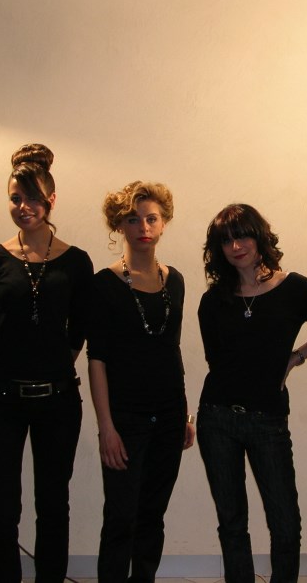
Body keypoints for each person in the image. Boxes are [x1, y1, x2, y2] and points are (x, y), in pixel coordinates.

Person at [0, 143, 93, 583]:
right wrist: (9, 372)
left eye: (33, 198)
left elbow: (78, 332)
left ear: (51, 200)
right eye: (15, 198)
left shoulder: (77, 262)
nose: (24, 207)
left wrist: (51, 367)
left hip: (58, 401)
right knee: (1, 510)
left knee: (53, 506)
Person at [197, 203, 307, 583]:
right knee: (232, 523)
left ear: (259, 237)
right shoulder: (213, 300)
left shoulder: (295, 288)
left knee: (286, 523)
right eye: (226, 241)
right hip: (217, 418)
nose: (236, 246)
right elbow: (216, 362)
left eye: (242, 236)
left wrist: (297, 357)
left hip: (268, 420)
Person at [86, 181, 193, 583]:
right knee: (120, 518)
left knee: (152, 516)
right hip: (125, 420)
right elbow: (97, 360)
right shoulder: (103, 284)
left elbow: (171, 351)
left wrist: (184, 414)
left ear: (163, 223)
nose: (143, 227)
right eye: (133, 220)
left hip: (169, 417)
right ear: (119, 225)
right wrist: (106, 428)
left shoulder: (175, 281)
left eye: (151, 218)